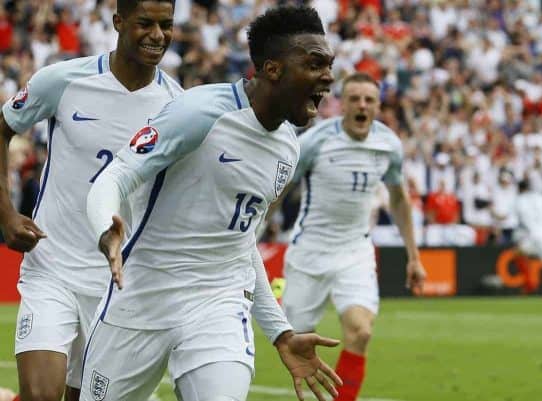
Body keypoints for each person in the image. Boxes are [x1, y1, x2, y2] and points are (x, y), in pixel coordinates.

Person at [81, 6, 340, 401]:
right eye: (315, 64)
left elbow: (241, 244)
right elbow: (116, 175)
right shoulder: (199, 112)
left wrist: (280, 332)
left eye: (329, 65)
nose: (328, 77)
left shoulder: (288, 149)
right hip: (141, 296)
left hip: (218, 306)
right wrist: (105, 227)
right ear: (273, 69)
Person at [0, 1, 182, 400]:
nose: (158, 35)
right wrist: (7, 214)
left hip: (120, 286)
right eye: (145, 23)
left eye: (166, 24)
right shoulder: (63, 80)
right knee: (40, 395)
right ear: (118, 22)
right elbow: (2, 129)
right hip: (54, 269)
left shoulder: (177, 107)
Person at [281, 73, 426, 401]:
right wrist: (252, 234)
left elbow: (399, 200)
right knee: (297, 339)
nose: (362, 105)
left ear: (377, 105)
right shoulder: (314, 142)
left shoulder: (388, 144)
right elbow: (279, 191)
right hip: (309, 252)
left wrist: (414, 257)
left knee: (360, 332)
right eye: (355, 99)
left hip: (355, 251)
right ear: (342, 103)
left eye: (369, 100)